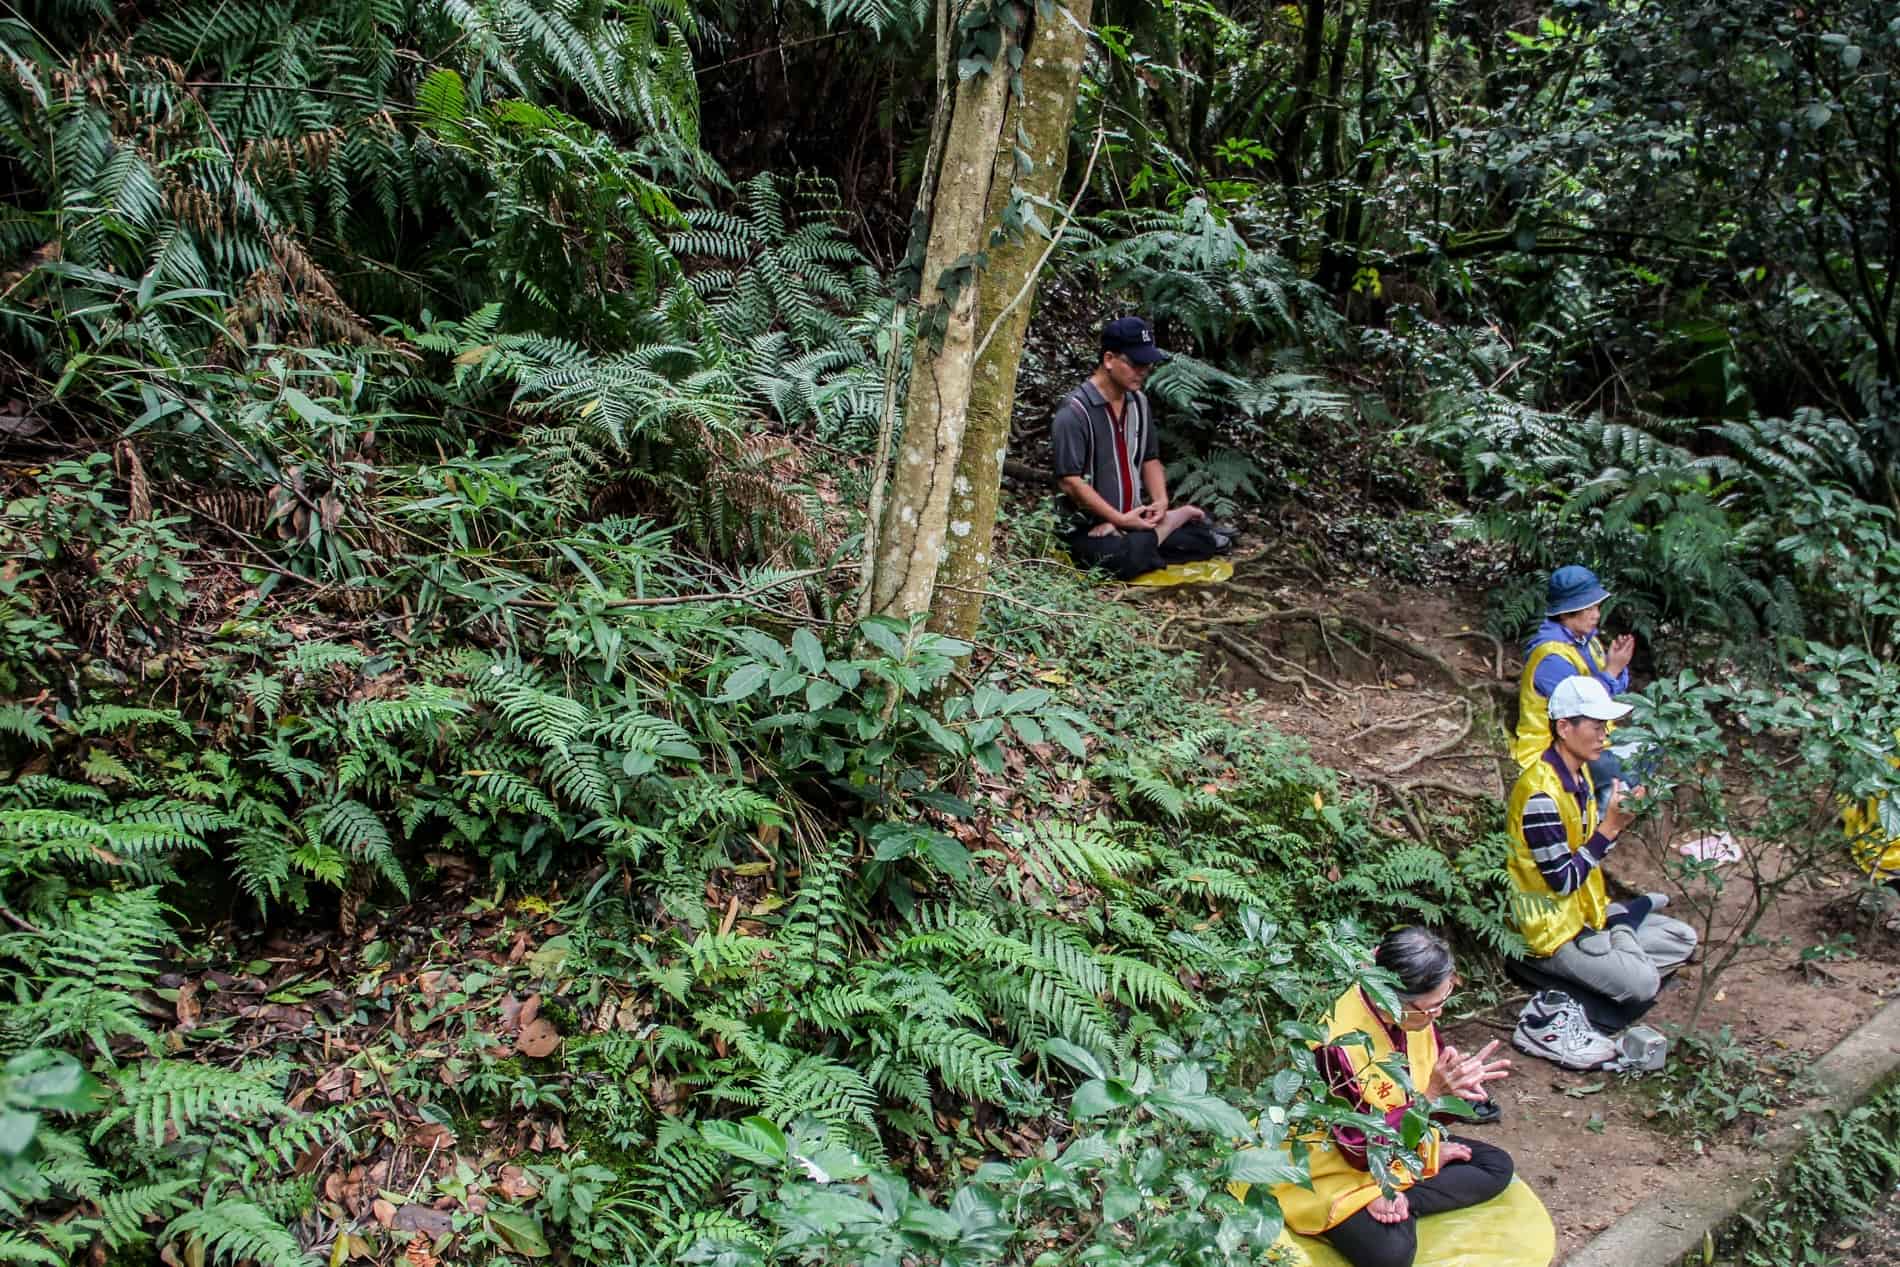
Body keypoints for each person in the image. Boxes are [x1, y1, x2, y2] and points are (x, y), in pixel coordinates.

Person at [1271, 926, 1516, 1267]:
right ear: (1393, 998)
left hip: (1396, 1145)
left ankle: (1398, 1192)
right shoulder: (1337, 1045)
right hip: (1330, 1161)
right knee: (1391, 1255)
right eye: (1433, 1007)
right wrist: (1430, 1098)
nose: (1438, 1014)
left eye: (1443, 1001)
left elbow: (1431, 1091)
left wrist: (1458, 1092)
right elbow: (1356, 1147)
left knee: (1496, 1165)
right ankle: (1380, 1196)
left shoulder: (1416, 1014)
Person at [1506, 675, 1698, 1068]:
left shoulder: (1580, 777)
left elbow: (1584, 861)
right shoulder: (1541, 794)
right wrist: (1610, 828)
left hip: (1590, 916)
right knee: (1643, 983)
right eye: (1596, 726)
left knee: (1681, 937)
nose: (1604, 735)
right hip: (1552, 933)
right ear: (1564, 727)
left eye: (1605, 726)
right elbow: (1561, 880)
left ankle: (1619, 941)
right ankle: (1621, 935)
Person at [1050, 316, 1227, 580]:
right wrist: (1116, 519)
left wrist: (1160, 501)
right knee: (1121, 558)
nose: (1143, 371)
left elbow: (1150, 459)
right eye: (1135, 363)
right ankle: (1160, 532)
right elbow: (1070, 483)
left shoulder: (1139, 402)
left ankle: (1156, 531)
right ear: (1109, 360)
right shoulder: (1074, 412)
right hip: (1090, 529)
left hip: (1134, 521)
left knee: (1200, 539)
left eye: (1147, 364)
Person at [1511, 565, 1636, 808]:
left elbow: (1612, 691)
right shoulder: (1550, 657)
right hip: (1556, 749)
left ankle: (1603, 809)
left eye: (1597, 606)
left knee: (1654, 744)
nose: (1596, 614)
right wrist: (1611, 671)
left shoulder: (1589, 643)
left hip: (1597, 738)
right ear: (1566, 613)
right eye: (1588, 608)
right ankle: (1609, 814)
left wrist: (1617, 668)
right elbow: (1582, 708)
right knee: (1630, 768)